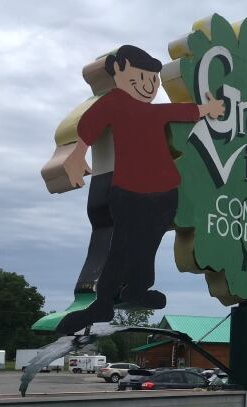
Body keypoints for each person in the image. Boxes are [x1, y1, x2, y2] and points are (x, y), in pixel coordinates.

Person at [55, 45, 225, 334]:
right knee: (120, 248)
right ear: (118, 70)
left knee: (148, 247)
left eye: (152, 80)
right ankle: (103, 301)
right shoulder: (114, 104)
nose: (147, 86)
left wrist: (207, 109)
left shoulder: (151, 113)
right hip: (130, 194)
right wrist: (76, 155)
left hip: (165, 194)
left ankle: (137, 288)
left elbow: (178, 111)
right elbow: (89, 124)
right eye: (139, 79)